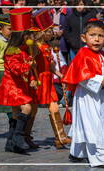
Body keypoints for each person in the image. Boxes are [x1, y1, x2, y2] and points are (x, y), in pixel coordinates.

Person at [62, 19, 104, 169]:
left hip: (100, 97)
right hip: (88, 96)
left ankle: (77, 153)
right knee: (96, 126)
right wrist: (100, 80)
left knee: (84, 124)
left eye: (100, 36)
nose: (96, 39)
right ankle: (102, 158)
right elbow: (82, 76)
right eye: (92, 35)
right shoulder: (83, 54)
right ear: (84, 38)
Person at [24, 9, 71, 149]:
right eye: (49, 30)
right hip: (37, 81)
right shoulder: (34, 46)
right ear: (42, 31)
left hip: (48, 81)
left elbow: (49, 66)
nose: (52, 33)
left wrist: (60, 74)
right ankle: (25, 137)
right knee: (33, 110)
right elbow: (31, 65)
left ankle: (60, 137)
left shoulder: (47, 46)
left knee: (54, 107)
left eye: (52, 30)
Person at [0, 8, 37, 154]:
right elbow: (16, 69)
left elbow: (27, 70)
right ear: (21, 36)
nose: (29, 37)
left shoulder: (25, 50)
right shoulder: (12, 50)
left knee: (14, 114)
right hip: (11, 86)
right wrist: (28, 65)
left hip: (20, 85)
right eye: (27, 35)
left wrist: (31, 78)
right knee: (27, 108)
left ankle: (11, 143)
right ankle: (19, 137)